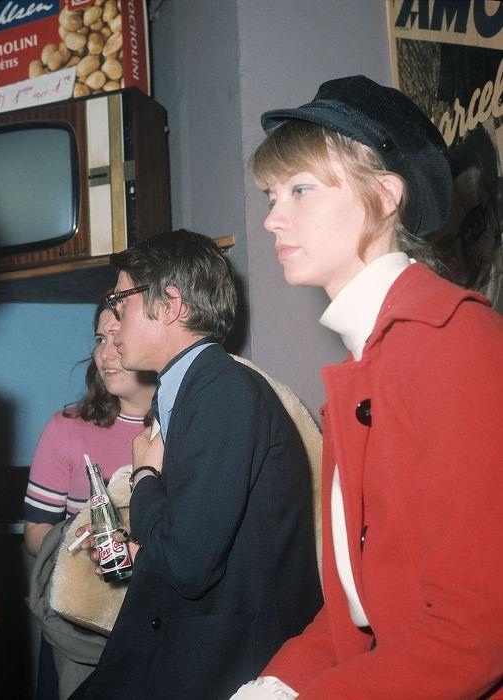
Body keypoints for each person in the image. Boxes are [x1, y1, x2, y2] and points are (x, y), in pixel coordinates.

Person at [231, 75, 503, 699]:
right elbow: (361, 608)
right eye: (272, 194)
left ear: (384, 196)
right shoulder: (373, 361)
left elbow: (474, 628)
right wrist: (278, 683)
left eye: (300, 189)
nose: (272, 218)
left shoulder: (455, 342)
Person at [72, 229, 323, 699]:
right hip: (203, 644)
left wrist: (145, 474)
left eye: (121, 299)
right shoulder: (198, 390)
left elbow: (189, 565)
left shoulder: (221, 391)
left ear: (170, 305)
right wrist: (138, 551)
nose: (113, 315)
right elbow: (205, 538)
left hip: (225, 661)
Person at [24, 301, 156, 699]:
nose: (105, 352)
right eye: (100, 338)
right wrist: (91, 536)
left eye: (119, 337)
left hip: (160, 624)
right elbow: (35, 533)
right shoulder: (67, 428)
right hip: (81, 629)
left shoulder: (190, 423)